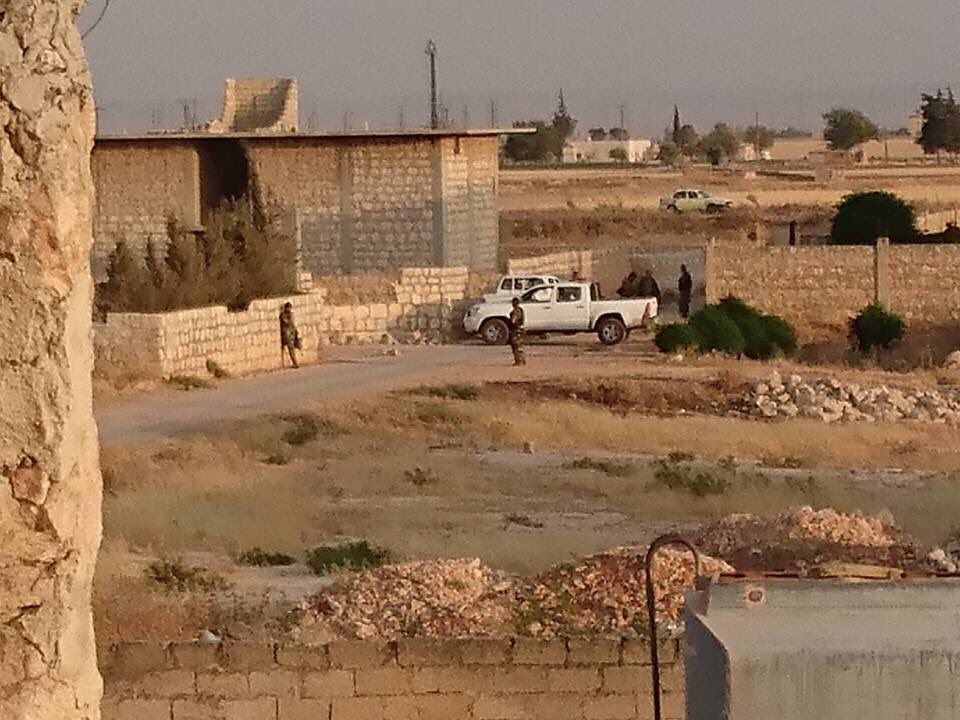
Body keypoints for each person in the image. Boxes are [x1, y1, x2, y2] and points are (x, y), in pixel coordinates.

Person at [279, 302, 300, 369]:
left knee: (292, 348)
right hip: (287, 334)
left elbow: (292, 323)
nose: (289, 309)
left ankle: (295, 362)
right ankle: (295, 363)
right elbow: (286, 322)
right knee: (291, 349)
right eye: (288, 308)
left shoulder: (290, 314)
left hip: (291, 334)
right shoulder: (283, 315)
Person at [508, 297, 526, 366]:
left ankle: (519, 361)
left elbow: (513, 321)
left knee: (516, 346)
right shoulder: (520, 310)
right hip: (520, 329)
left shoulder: (516, 311)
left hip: (516, 330)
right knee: (520, 345)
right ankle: (522, 360)